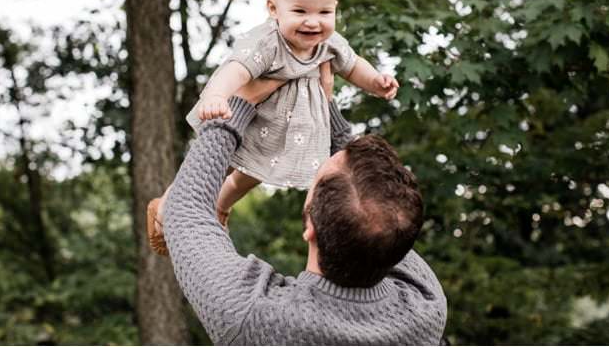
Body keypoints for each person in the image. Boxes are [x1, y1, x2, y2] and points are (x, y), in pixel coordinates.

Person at [147, 0, 399, 255]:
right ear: (273, 8)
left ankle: (220, 207)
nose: (313, 22)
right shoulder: (268, 43)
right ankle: (167, 207)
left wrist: (375, 81)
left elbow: (354, 64)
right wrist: (216, 95)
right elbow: (236, 70)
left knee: (252, 176)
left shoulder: (330, 44)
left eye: (324, 12)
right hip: (253, 123)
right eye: (300, 11)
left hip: (283, 138)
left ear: (335, 8)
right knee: (214, 167)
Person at [162, 79, 447, 345]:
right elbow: (366, 198)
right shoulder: (425, 309)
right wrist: (322, 103)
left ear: (310, 226)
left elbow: (186, 211)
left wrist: (239, 102)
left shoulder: (255, 318)